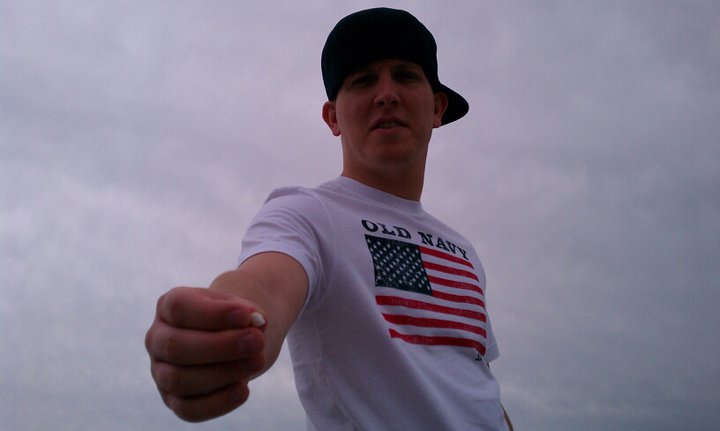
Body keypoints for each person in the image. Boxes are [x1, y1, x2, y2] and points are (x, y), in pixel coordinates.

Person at [145, 7, 513, 431]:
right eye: (363, 80)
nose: (387, 94)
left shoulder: (463, 251)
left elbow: (476, 378)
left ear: (437, 108)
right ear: (333, 117)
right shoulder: (307, 214)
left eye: (406, 75)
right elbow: (264, 286)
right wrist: (225, 327)